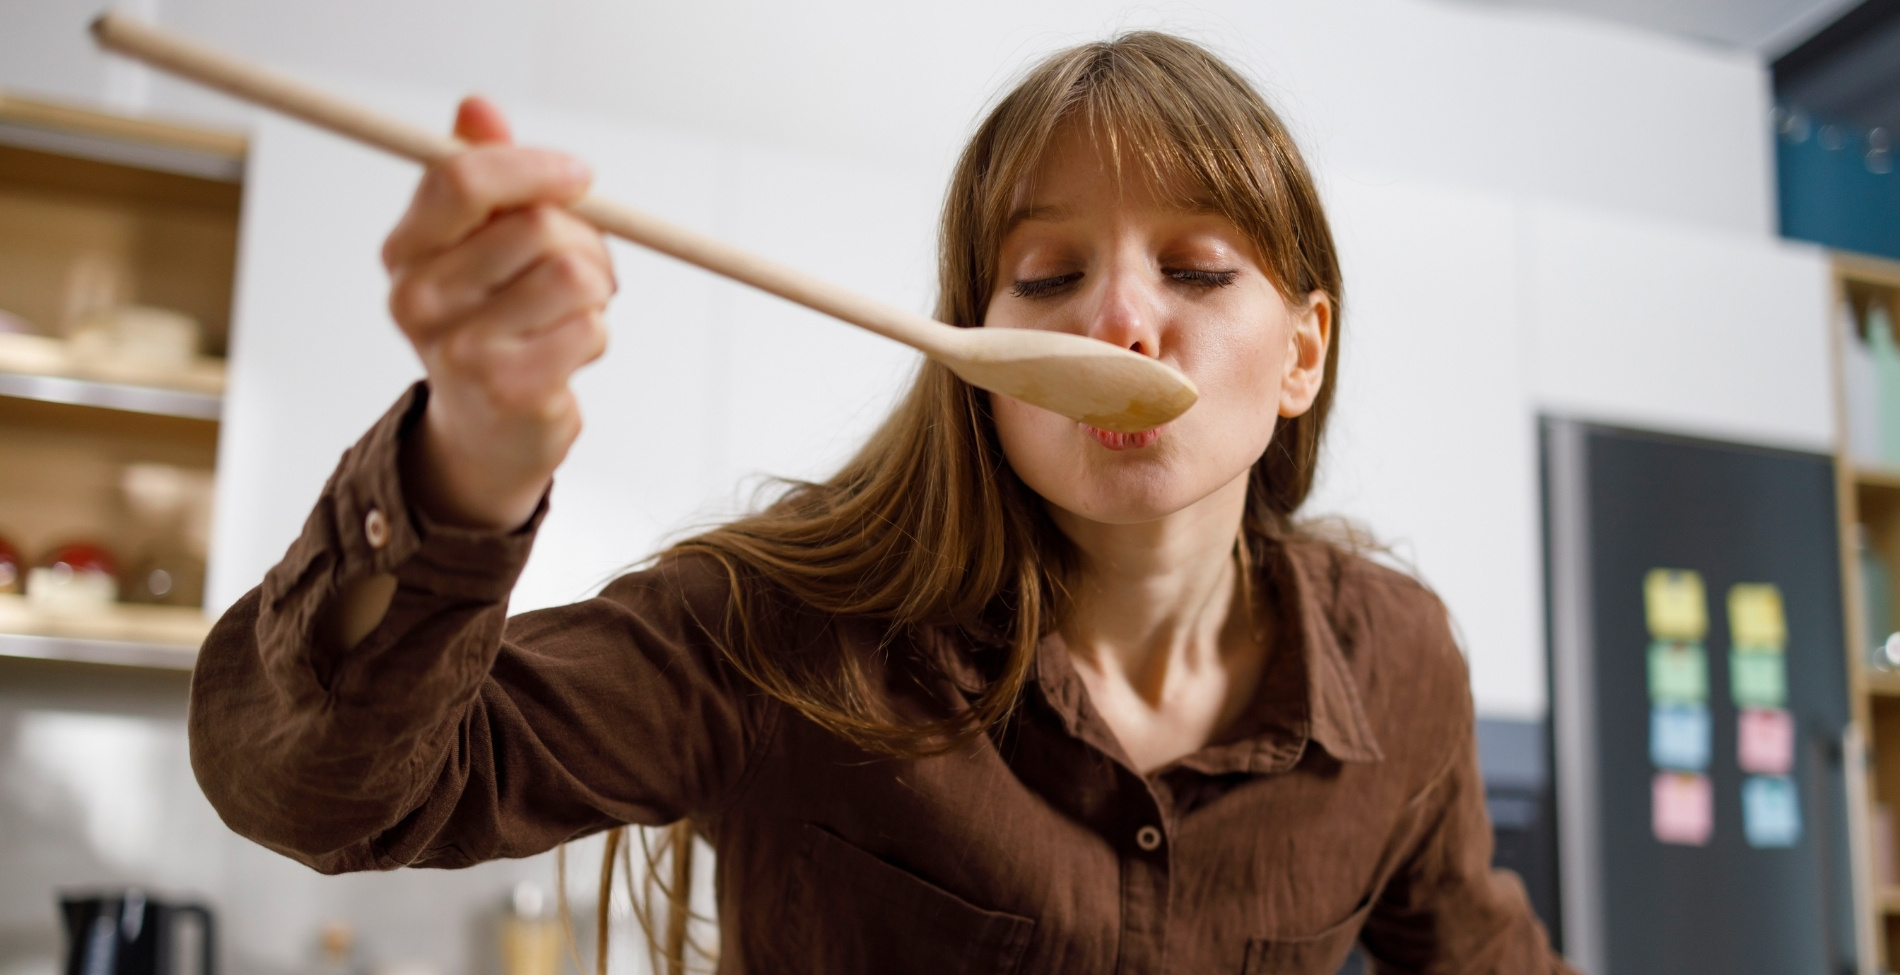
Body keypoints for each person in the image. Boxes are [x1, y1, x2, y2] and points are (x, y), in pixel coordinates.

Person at [190, 31, 1574, 975]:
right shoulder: (781, 627)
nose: (1118, 324)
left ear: (1303, 353)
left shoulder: (1400, 666)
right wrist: (471, 457)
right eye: (1046, 278)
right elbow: (326, 795)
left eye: (1199, 270)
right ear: (975, 356)